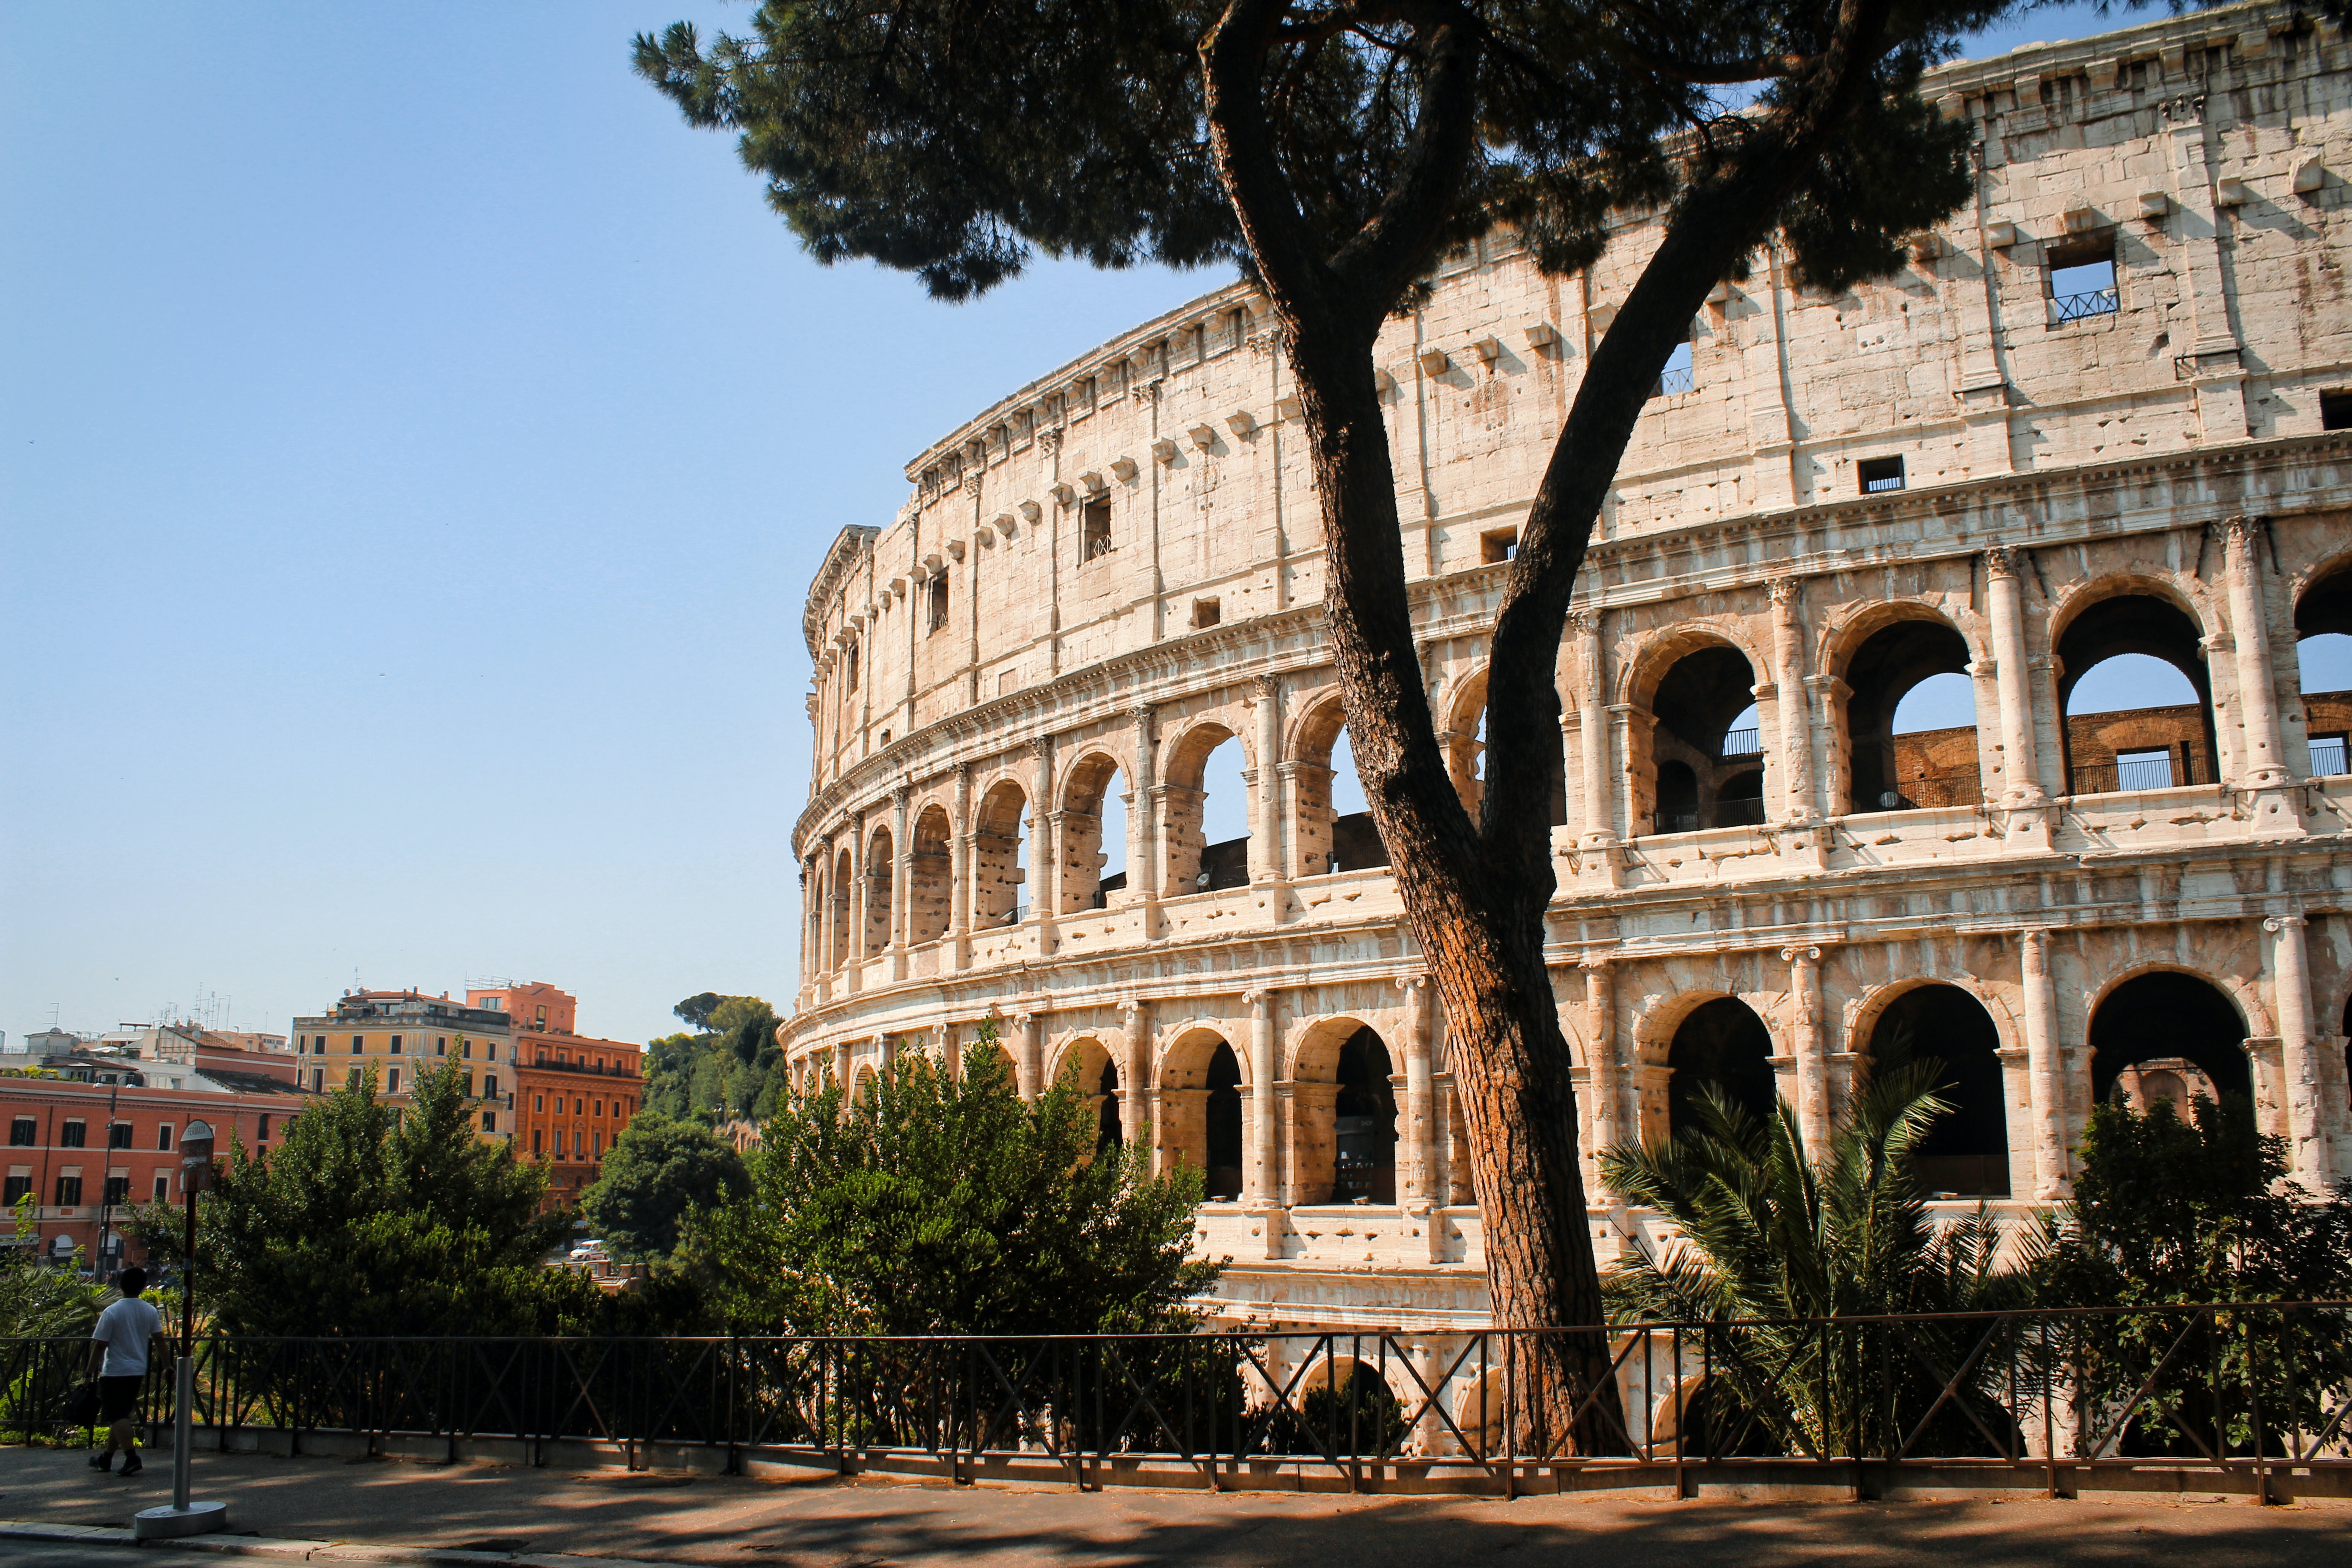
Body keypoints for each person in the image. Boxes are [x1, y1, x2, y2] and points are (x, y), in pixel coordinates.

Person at [84, 1265, 166, 1477]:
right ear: (143, 1287)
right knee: (120, 1416)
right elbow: (159, 1340)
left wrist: (88, 1373)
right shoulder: (150, 1310)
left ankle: (132, 1457)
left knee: (117, 1415)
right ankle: (106, 1459)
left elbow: (100, 1346)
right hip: (137, 1369)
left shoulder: (112, 1311)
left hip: (115, 1371)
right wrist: (168, 1365)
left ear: (121, 1285)